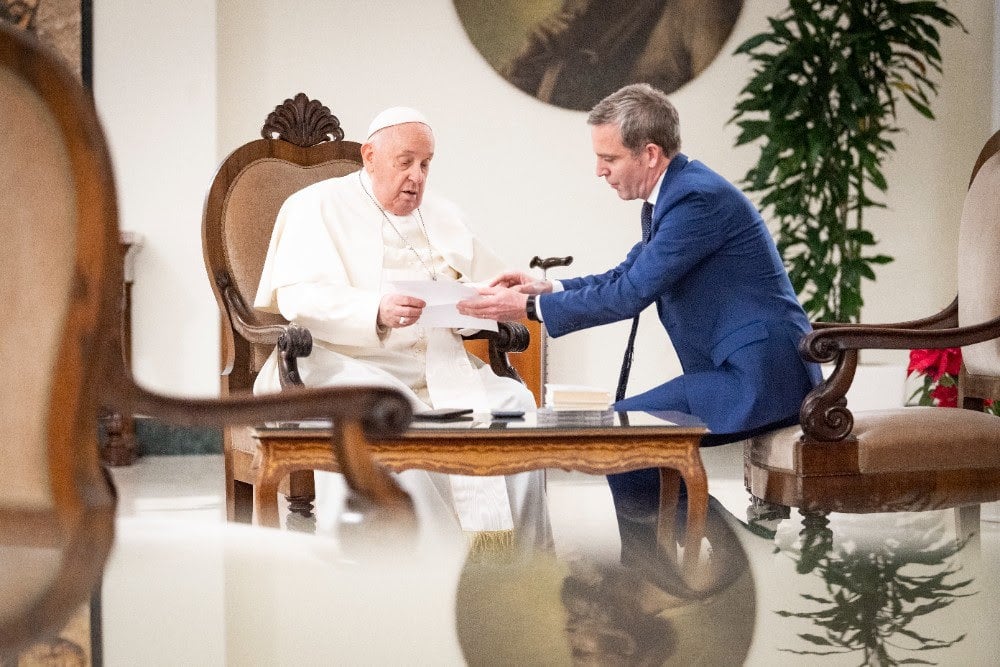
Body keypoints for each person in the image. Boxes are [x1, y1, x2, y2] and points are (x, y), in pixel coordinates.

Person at [457, 83, 821, 561]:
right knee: (623, 439)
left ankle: (676, 562)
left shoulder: (696, 201)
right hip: (742, 370)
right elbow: (625, 275)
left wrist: (526, 311)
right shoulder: (678, 194)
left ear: (649, 154)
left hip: (761, 376)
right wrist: (545, 288)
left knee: (620, 438)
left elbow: (629, 295)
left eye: (609, 157)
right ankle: (711, 552)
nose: (599, 171)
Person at [253, 106, 551, 550]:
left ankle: (516, 563)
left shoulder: (444, 212)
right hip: (341, 362)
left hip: (439, 365)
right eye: (405, 161)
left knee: (515, 406)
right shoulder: (315, 206)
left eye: (426, 163)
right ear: (370, 156)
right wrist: (375, 310)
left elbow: (479, 288)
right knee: (387, 414)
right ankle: (421, 571)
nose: (417, 176)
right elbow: (299, 297)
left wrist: (483, 302)